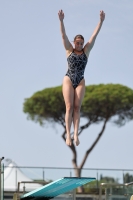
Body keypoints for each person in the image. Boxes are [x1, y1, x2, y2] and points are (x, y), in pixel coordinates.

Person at [58, 9, 105, 146]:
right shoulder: (69, 49)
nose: (79, 45)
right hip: (68, 78)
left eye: (81, 43)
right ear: (74, 42)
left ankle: (76, 134)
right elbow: (63, 35)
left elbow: (94, 36)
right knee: (69, 106)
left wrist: (100, 21)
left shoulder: (86, 51)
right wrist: (61, 21)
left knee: (77, 107)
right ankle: (68, 135)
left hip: (80, 80)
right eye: (77, 43)